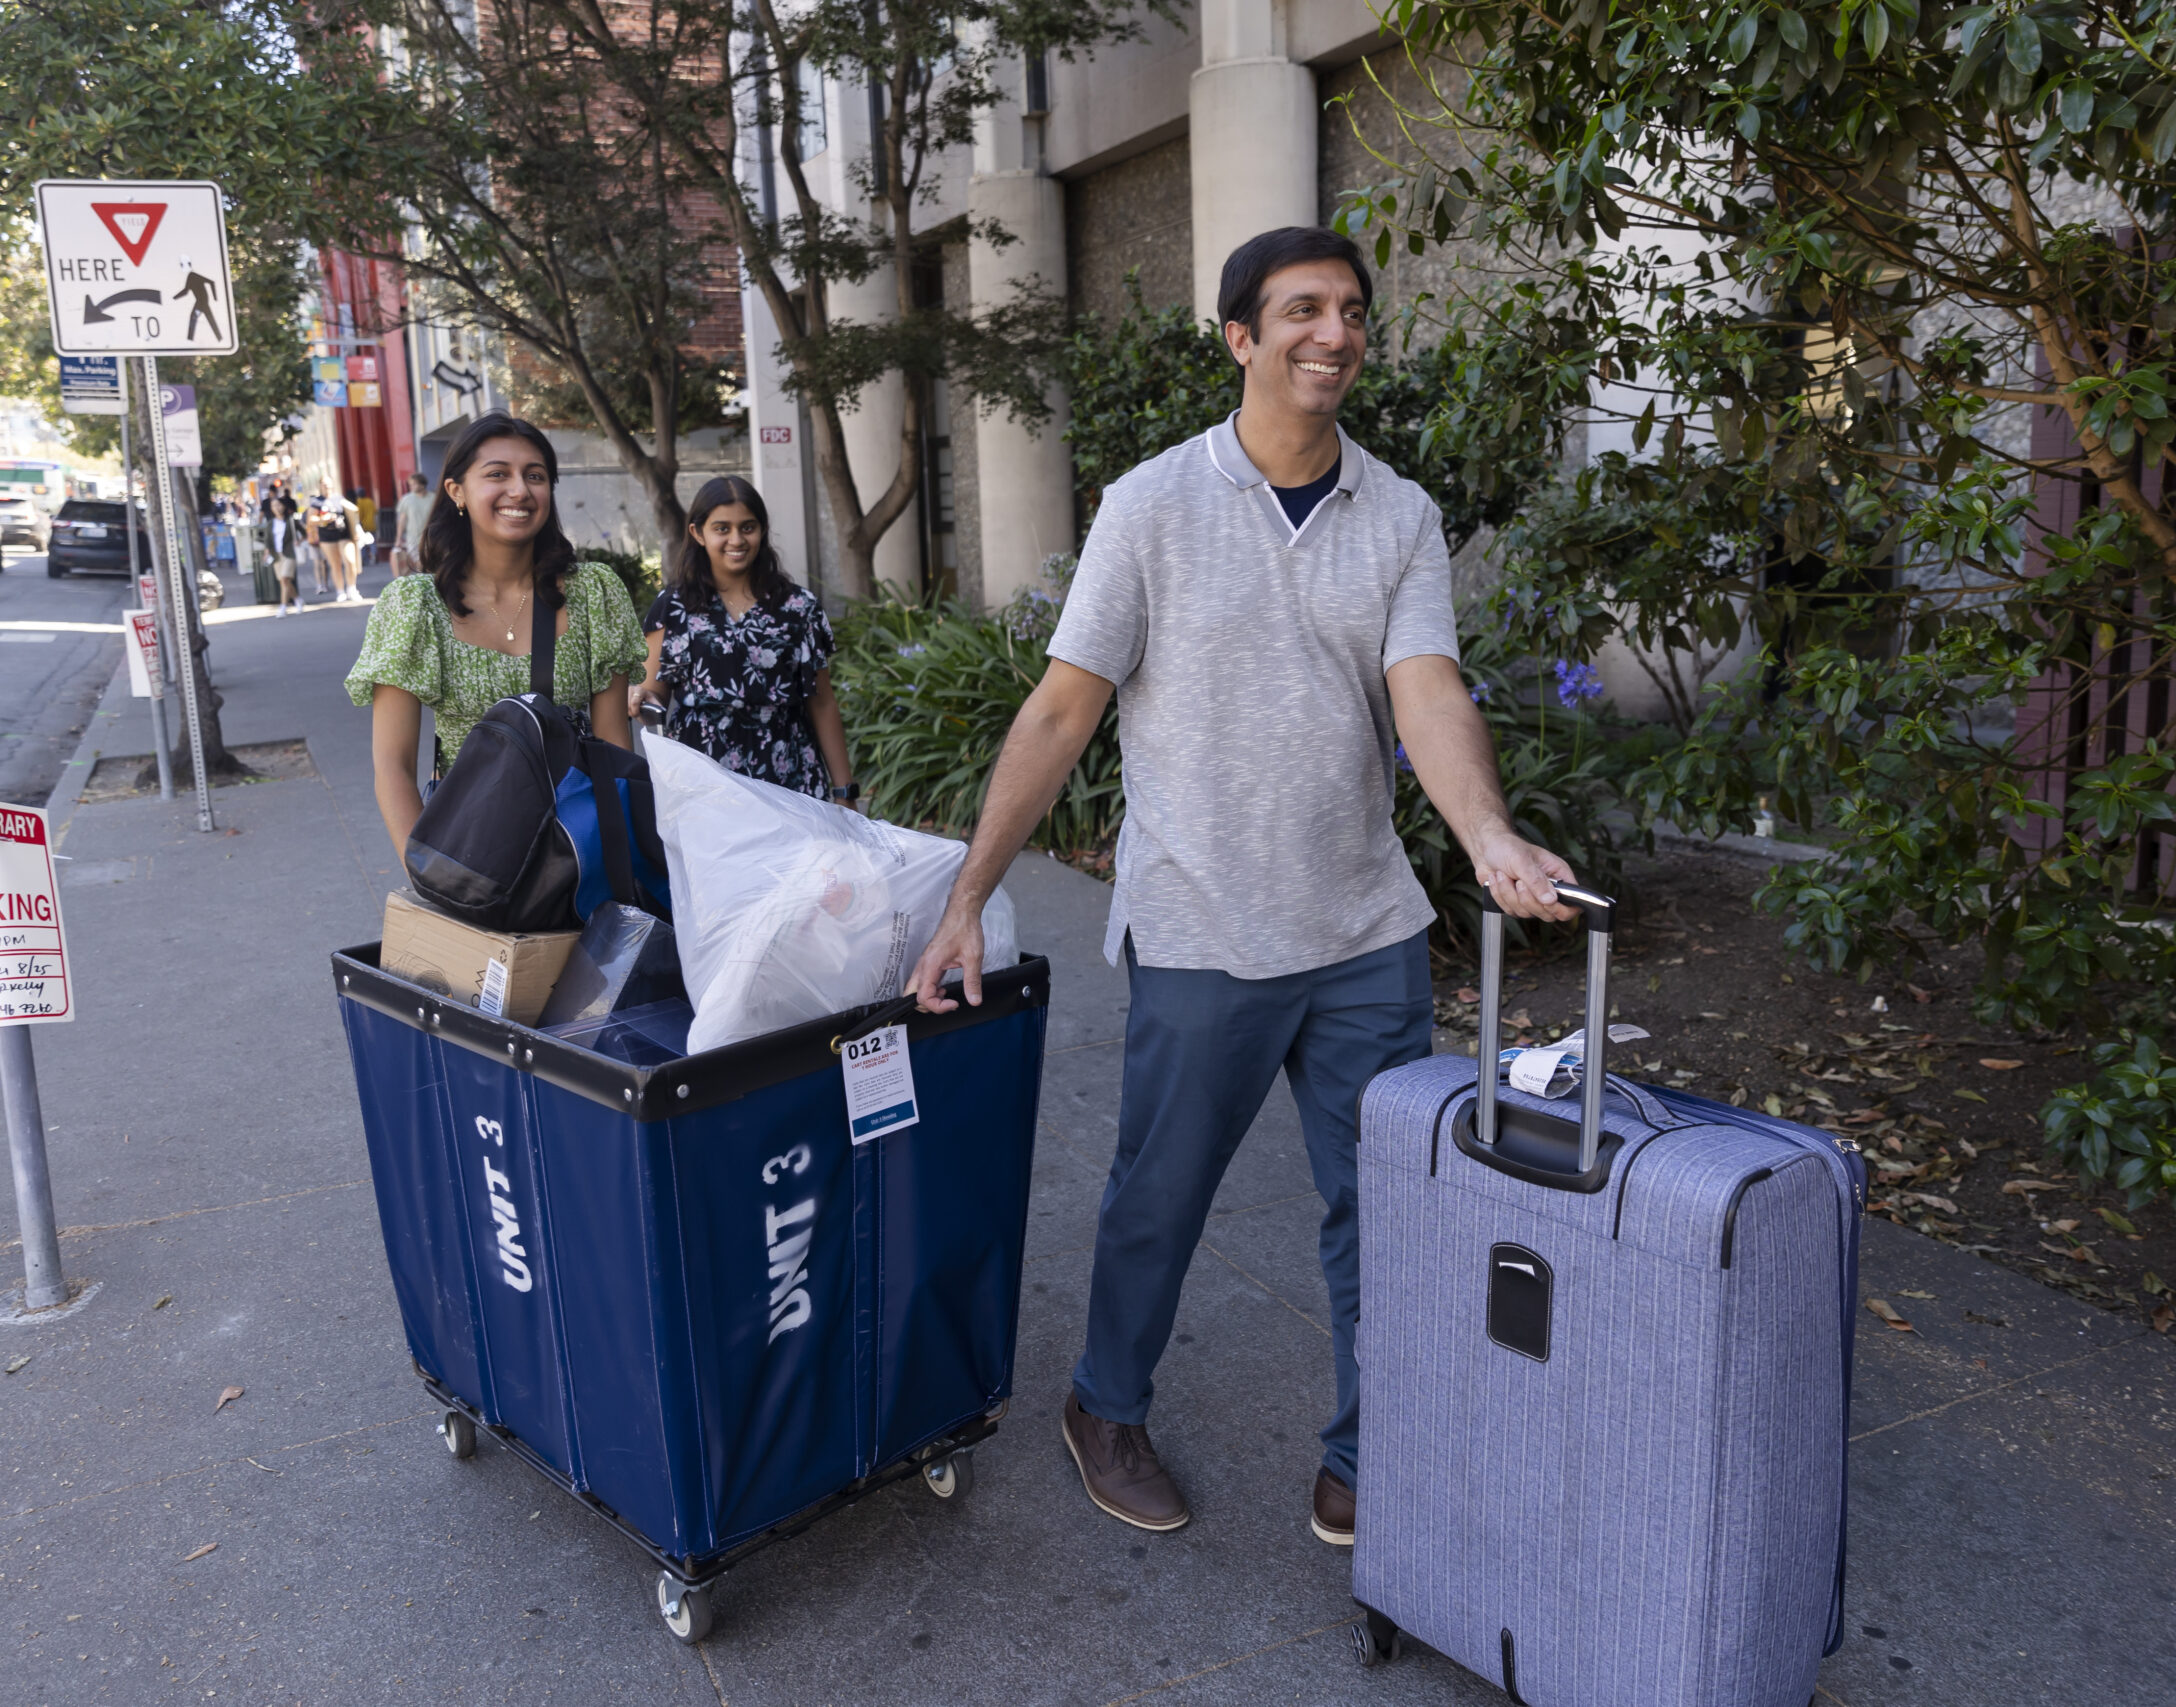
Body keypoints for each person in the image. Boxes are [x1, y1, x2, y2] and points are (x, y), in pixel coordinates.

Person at [902, 228, 1580, 1548]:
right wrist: (967, 893)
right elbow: (1059, 711)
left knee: (1385, 1199)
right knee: (1161, 1192)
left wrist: (1490, 833)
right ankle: (1103, 1404)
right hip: (1204, 920)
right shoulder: (1153, 504)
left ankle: (1367, 1446)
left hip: (1365, 926)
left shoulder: (1399, 512)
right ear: (1239, 338)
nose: (1335, 332)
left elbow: (1427, 688)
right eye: (1303, 310)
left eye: (1353, 312)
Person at [347, 412, 647, 860]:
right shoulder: (415, 607)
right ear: (456, 491)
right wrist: (429, 875)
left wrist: (620, 868)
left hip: (578, 851)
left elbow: (613, 749)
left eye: (535, 476)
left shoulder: (593, 593)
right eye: (497, 474)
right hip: (468, 852)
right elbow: (392, 767)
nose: (520, 491)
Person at [633, 477, 856, 803]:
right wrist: (639, 694)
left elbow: (822, 703)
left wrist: (845, 792)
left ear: (762, 530)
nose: (736, 539)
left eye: (747, 527)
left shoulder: (798, 607)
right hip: (705, 784)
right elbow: (653, 693)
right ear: (698, 533)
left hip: (791, 779)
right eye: (721, 528)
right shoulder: (674, 606)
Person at [312, 488, 363, 603]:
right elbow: (311, 519)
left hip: (343, 533)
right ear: (320, 487)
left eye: (329, 485)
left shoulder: (339, 498)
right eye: (324, 486)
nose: (327, 488)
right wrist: (323, 519)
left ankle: (352, 588)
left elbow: (352, 511)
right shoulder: (317, 502)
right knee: (335, 564)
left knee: (350, 561)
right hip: (327, 535)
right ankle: (340, 591)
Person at [263, 489, 303, 615]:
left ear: (283, 506)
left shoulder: (291, 521)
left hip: (289, 553)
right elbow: (268, 540)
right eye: (273, 506)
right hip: (276, 554)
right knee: (284, 581)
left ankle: (283, 607)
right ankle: (297, 599)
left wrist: (299, 541)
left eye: (278, 505)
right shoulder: (270, 524)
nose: (277, 508)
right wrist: (267, 552)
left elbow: (304, 533)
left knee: (285, 578)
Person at [392, 472, 435, 576]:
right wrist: (398, 539)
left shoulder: (434, 498)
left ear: (422, 484)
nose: (411, 486)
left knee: (430, 566)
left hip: (432, 537)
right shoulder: (406, 499)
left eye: (414, 484)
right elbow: (402, 520)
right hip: (413, 539)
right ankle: (423, 587)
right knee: (419, 565)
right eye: (410, 484)